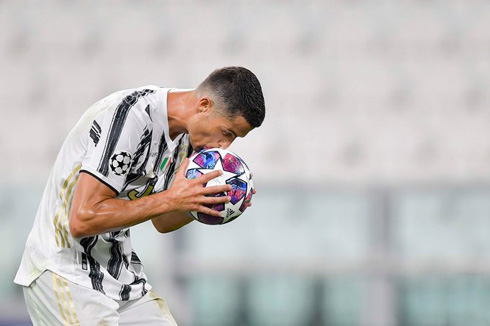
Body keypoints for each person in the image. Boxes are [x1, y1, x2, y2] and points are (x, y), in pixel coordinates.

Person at [14, 66, 266, 325]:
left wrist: (206, 199)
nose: (225, 146)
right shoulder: (128, 118)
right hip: (64, 271)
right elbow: (82, 219)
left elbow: (163, 221)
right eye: (227, 133)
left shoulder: (191, 139)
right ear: (204, 105)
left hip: (120, 278)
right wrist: (172, 198)